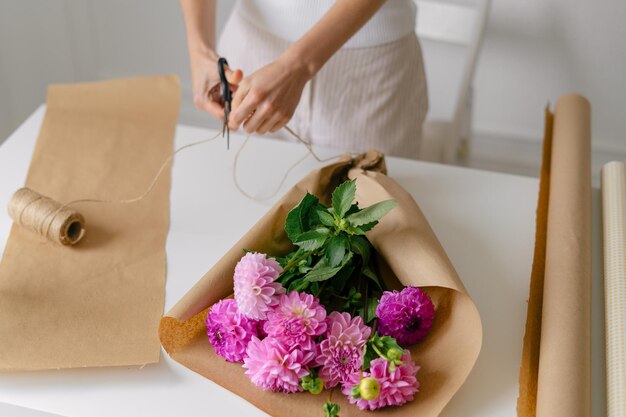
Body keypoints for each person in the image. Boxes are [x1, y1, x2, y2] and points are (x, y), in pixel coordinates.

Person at [179, 0, 428, 158]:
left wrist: (297, 67)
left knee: (370, 227)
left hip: (370, 72)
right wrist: (199, 49)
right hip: (251, 52)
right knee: (245, 219)